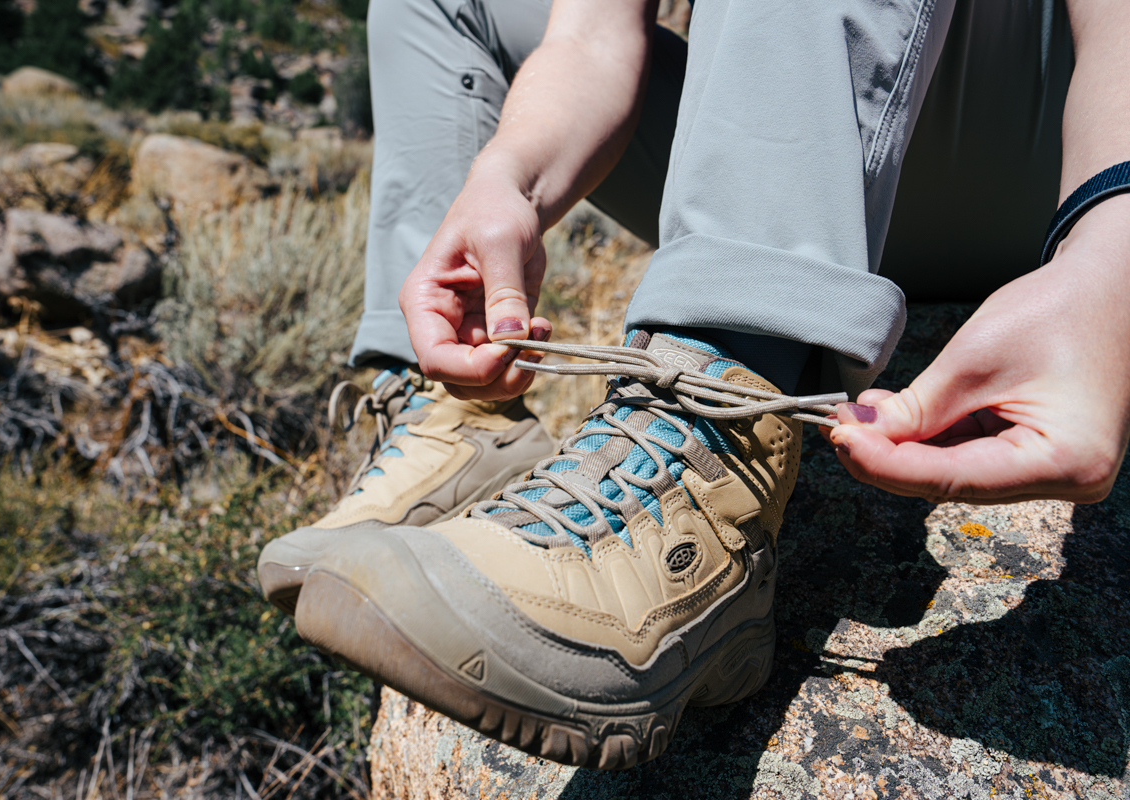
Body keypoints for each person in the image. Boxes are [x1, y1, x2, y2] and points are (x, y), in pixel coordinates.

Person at [259, 0, 1130, 768]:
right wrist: (507, 180)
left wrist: (1111, 253)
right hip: (820, 165)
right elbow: (592, 36)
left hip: (1043, 154)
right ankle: (460, 417)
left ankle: (711, 444)